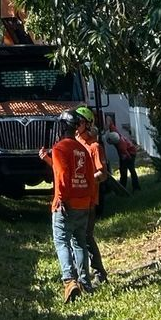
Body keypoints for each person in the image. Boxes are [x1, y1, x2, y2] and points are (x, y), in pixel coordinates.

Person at [39, 107, 105, 302]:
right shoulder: (83, 150)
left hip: (65, 204)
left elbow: (62, 177)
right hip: (84, 204)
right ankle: (86, 283)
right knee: (80, 243)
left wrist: (61, 200)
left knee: (61, 242)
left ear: (62, 127)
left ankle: (69, 281)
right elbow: (87, 178)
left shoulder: (60, 148)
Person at [75, 106, 109, 285]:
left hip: (88, 199)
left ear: (87, 124)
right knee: (75, 237)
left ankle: (99, 273)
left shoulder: (95, 147)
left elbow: (102, 174)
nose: (76, 125)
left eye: (79, 122)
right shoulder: (72, 143)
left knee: (86, 237)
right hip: (73, 200)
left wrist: (86, 181)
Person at [110, 117, 141, 191]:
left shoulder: (120, 145)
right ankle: (122, 186)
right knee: (122, 169)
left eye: (110, 141)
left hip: (130, 153)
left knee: (130, 170)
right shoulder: (116, 134)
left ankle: (135, 187)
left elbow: (127, 155)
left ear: (114, 141)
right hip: (127, 152)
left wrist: (127, 160)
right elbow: (111, 125)